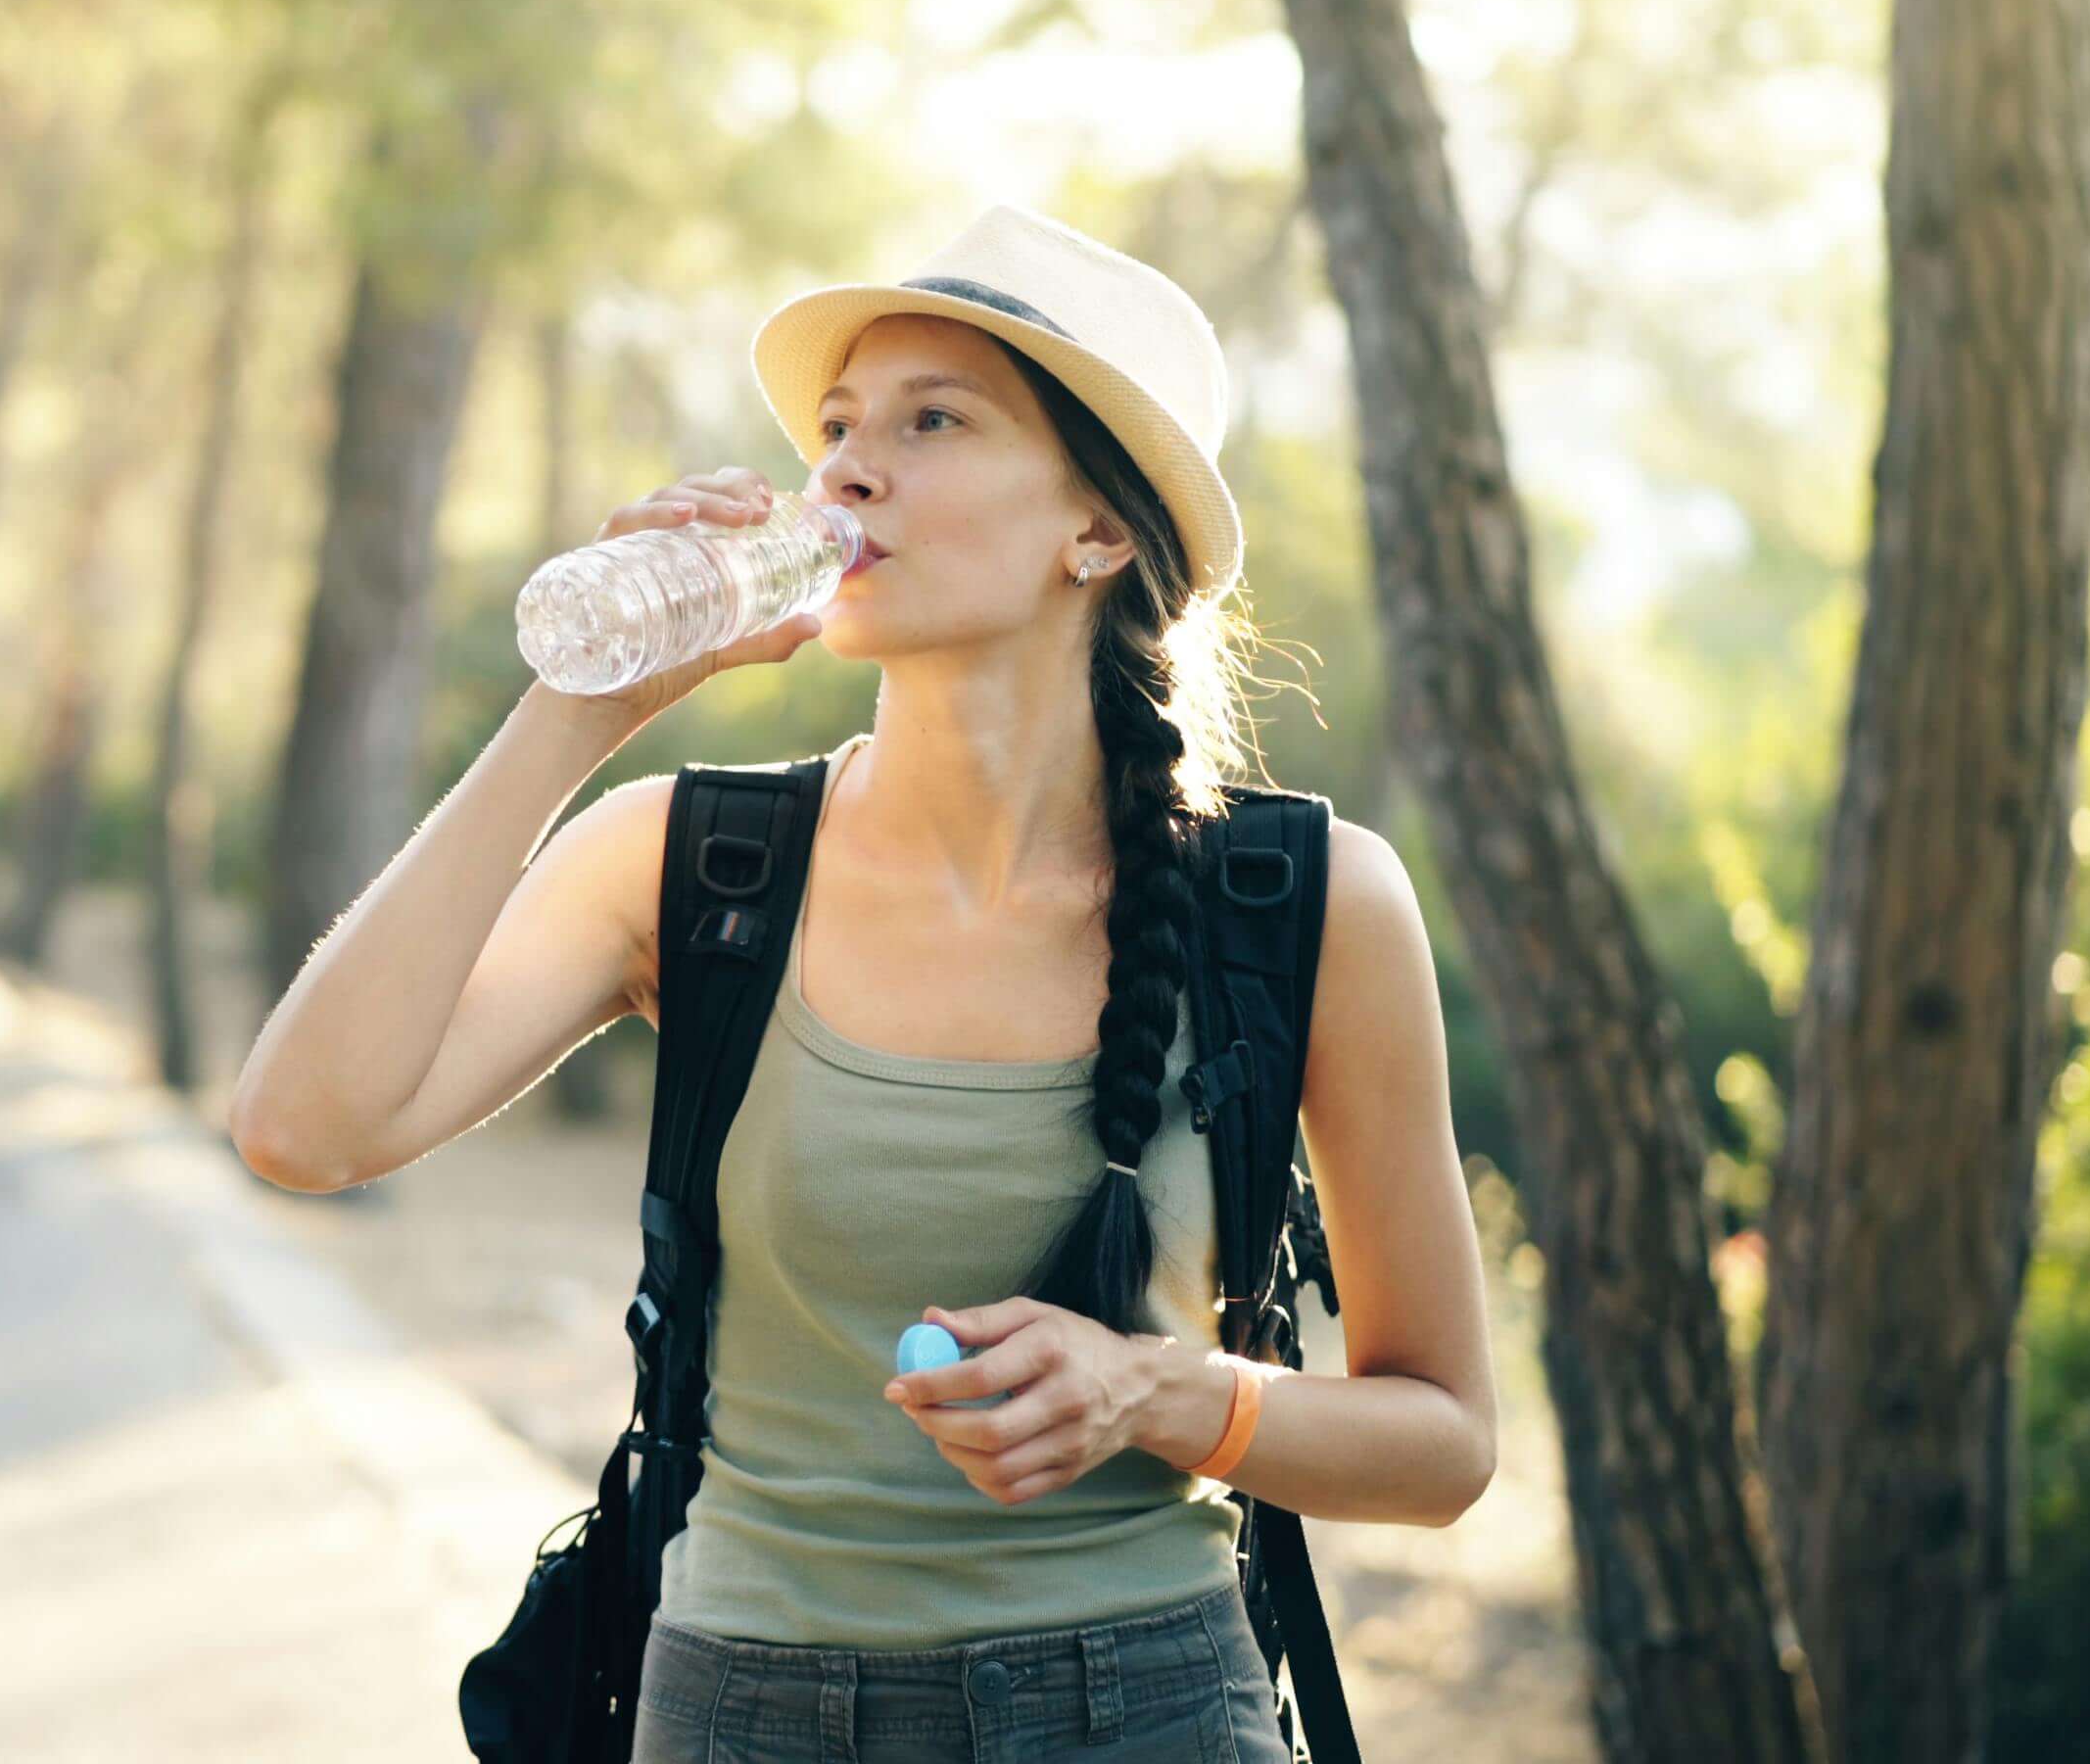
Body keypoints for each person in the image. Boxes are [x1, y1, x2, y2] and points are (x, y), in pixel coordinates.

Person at [232, 200, 1494, 1762]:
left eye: (932, 421)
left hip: (1145, 1711)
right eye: (837, 427)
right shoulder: (697, 863)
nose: (844, 470)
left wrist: (1158, 1395)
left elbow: (1445, 1442)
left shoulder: (1303, 902)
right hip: (737, 1711)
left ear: (1099, 533)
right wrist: (578, 706)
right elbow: (303, 1129)